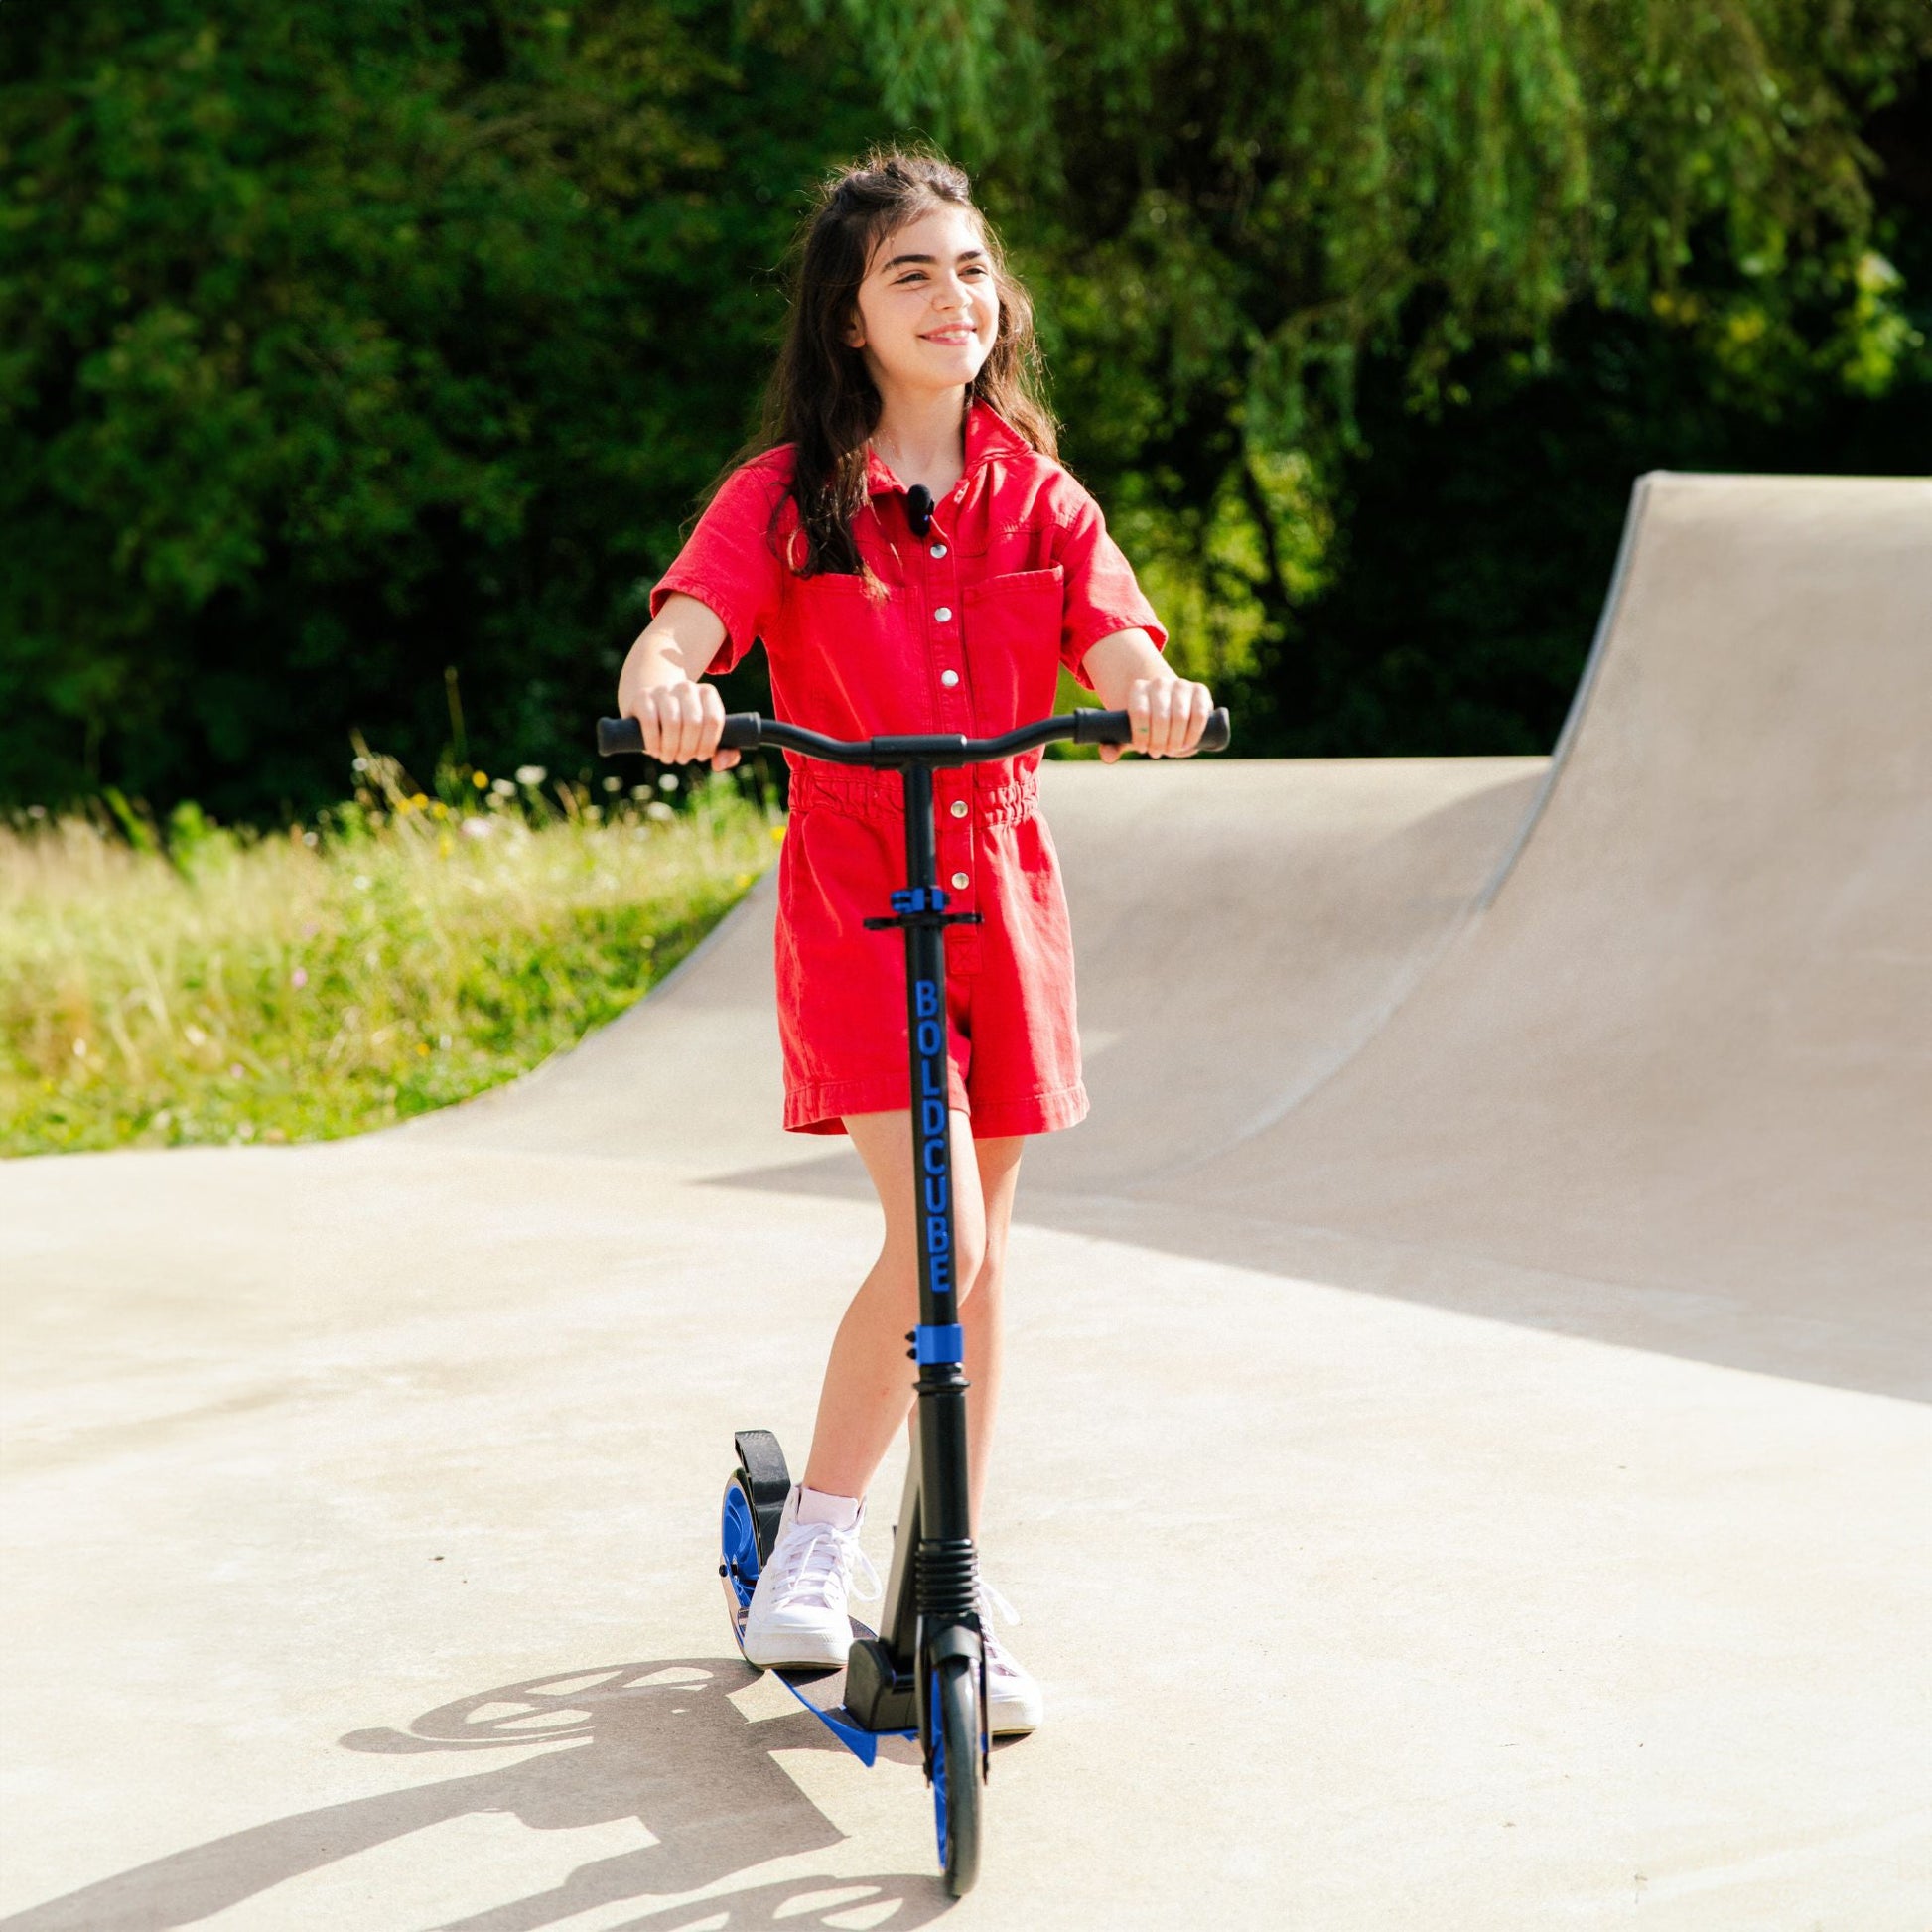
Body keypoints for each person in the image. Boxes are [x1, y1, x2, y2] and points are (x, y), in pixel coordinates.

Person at [616, 146, 1215, 1735]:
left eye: (968, 268)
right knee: (936, 1228)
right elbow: (681, 627)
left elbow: (1114, 629)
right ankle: (818, 1533)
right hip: (859, 882)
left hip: (1001, 880)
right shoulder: (783, 498)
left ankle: (951, 1562)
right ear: (848, 318)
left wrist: (1147, 687)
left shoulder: (1035, 488)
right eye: (910, 275)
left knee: (985, 1247)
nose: (952, 297)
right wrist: (668, 686)